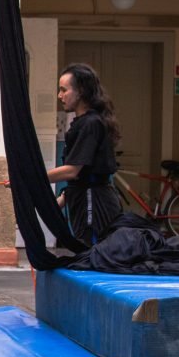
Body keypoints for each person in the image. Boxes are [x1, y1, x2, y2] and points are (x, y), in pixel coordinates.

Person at [47, 63, 122, 247]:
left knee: (94, 253)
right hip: (84, 200)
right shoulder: (84, 122)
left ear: (80, 91)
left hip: (94, 204)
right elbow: (82, 176)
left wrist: (28, 179)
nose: (59, 95)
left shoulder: (91, 124)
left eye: (64, 90)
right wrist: (62, 199)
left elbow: (72, 171)